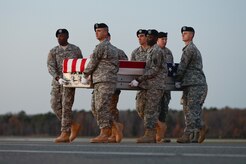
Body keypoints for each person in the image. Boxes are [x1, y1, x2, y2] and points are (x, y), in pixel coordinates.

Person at [129, 29, 167, 143]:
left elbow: (154, 70)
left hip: (155, 86)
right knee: (141, 108)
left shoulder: (156, 51)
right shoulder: (150, 51)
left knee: (151, 110)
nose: (149, 38)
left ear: (156, 39)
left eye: (151, 37)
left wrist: (138, 79)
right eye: (148, 36)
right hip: (146, 85)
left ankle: (150, 135)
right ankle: (155, 129)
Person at [83, 23, 119, 143]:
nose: (96, 33)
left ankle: (105, 132)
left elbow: (93, 62)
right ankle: (114, 126)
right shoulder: (113, 49)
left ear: (106, 32)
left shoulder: (101, 47)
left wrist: (85, 74)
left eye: (99, 31)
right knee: (95, 107)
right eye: (96, 31)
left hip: (105, 81)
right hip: (100, 81)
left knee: (101, 106)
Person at [47, 29, 83, 143]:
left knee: (66, 107)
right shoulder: (53, 51)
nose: (60, 38)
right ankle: (73, 125)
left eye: (62, 36)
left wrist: (80, 79)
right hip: (57, 82)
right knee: (54, 105)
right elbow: (50, 67)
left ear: (67, 36)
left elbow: (80, 65)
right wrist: (58, 78)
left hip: (70, 83)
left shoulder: (75, 50)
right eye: (58, 36)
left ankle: (65, 133)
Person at [175, 26, 208, 143]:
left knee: (191, 110)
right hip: (190, 84)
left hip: (195, 84)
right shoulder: (189, 49)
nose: (183, 35)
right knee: (190, 110)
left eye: (186, 33)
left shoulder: (190, 49)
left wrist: (177, 79)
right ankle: (199, 128)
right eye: (182, 33)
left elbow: (182, 67)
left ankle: (188, 135)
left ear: (192, 35)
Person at [107, 33, 128, 143]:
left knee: (110, 108)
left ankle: (113, 132)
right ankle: (114, 128)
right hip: (100, 85)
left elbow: (126, 67)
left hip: (113, 84)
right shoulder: (96, 51)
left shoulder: (118, 52)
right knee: (96, 108)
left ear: (110, 38)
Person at [156, 32, 174, 142]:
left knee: (163, 110)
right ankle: (153, 133)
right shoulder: (153, 51)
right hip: (155, 86)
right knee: (152, 110)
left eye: (166, 39)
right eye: (162, 39)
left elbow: (170, 69)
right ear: (157, 40)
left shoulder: (168, 52)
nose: (165, 41)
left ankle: (160, 136)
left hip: (165, 86)